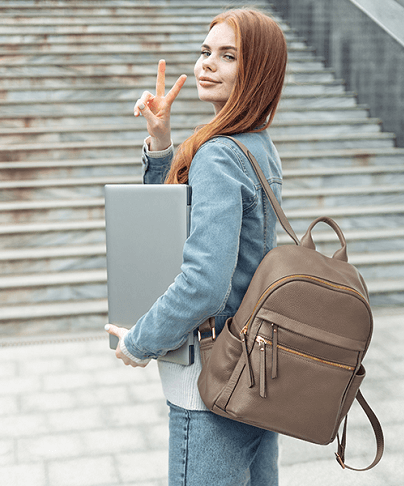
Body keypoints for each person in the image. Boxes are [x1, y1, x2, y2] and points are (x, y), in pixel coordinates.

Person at [104, 8, 288, 486]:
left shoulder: (220, 153)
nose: (207, 63)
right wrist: (161, 142)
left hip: (209, 375)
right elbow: (173, 222)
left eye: (228, 56)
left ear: (257, 72)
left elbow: (205, 283)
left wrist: (139, 341)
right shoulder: (256, 145)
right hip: (253, 367)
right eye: (206, 51)